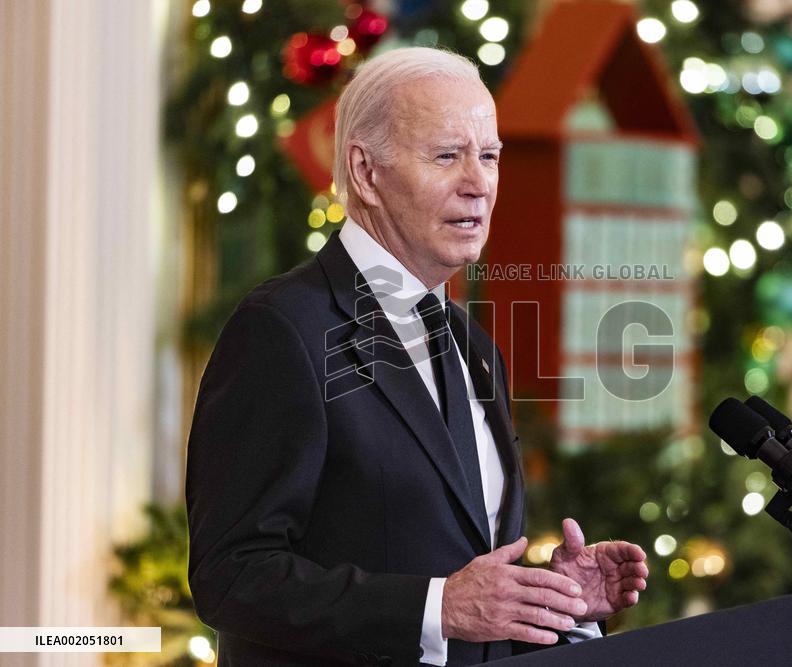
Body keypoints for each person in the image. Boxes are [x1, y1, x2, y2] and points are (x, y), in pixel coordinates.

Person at [185, 46, 649, 666]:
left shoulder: (473, 345)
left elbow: (451, 566)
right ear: (366, 172)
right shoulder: (283, 328)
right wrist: (436, 609)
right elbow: (232, 575)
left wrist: (555, 600)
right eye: (447, 156)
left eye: (489, 156)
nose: (478, 183)